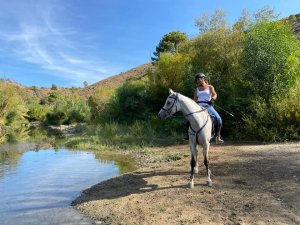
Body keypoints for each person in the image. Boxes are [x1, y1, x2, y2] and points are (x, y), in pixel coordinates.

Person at [184, 73, 224, 143]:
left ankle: (218, 136)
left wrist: (212, 100)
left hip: (207, 106)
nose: (198, 81)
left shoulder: (210, 87)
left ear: (203, 79)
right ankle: (188, 135)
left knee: (218, 119)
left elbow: (215, 94)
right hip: (198, 106)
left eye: (199, 79)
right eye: (197, 80)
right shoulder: (196, 89)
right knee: (188, 119)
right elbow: (195, 99)